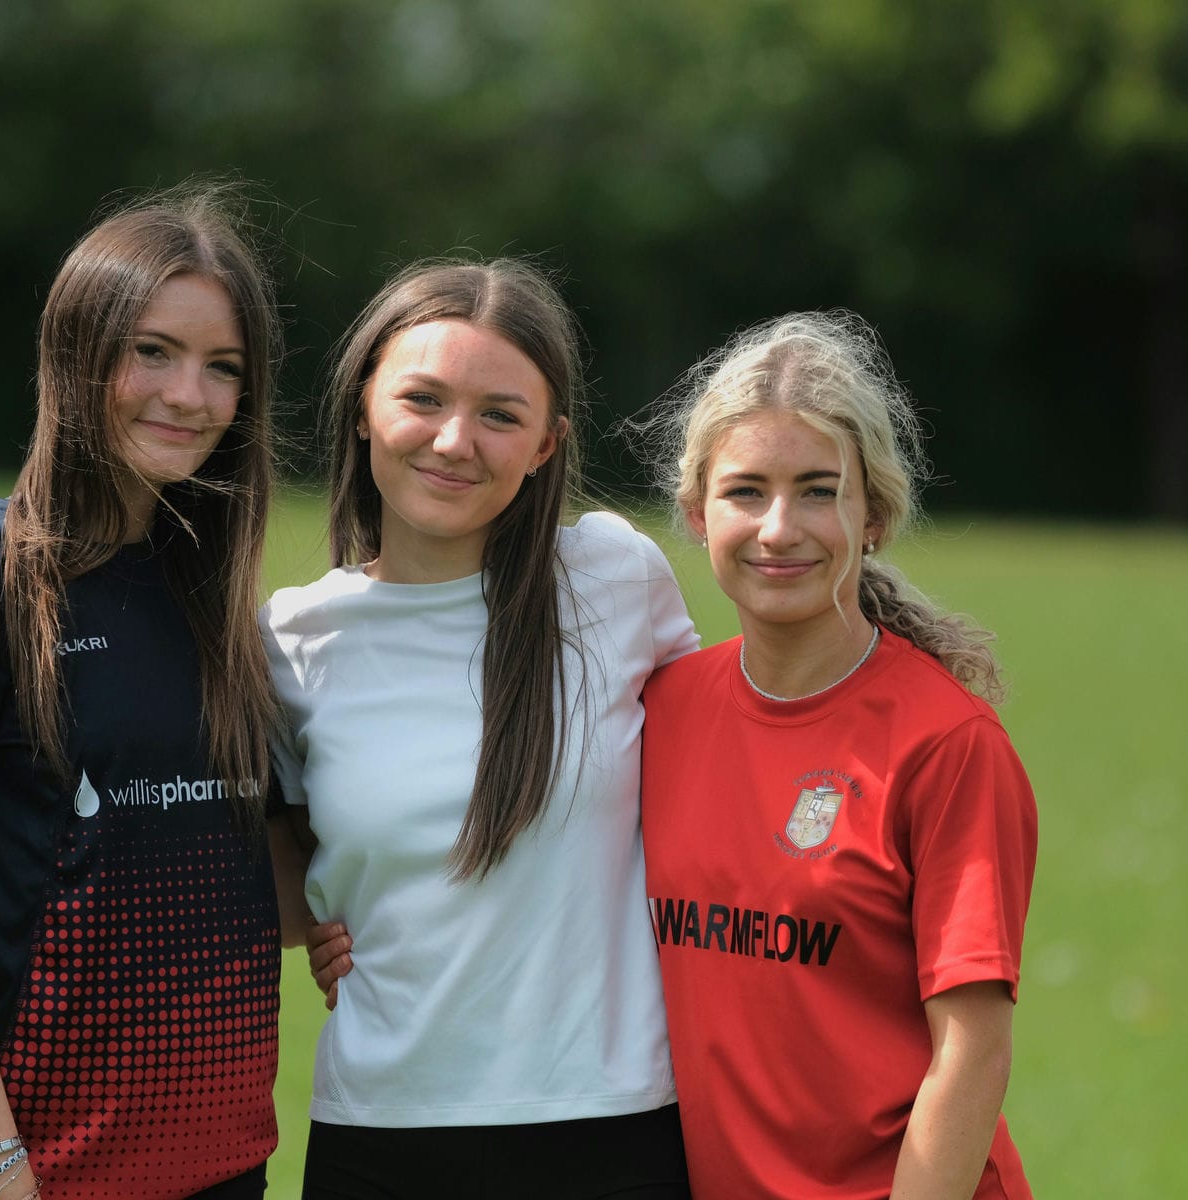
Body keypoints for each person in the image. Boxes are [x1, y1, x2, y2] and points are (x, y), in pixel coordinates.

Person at [0, 183, 301, 1200]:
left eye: (224, 367)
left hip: (219, 1163)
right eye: (153, 350)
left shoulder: (210, 596)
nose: (189, 394)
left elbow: (256, 882)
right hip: (26, 1170)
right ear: (75, 352)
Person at [261, 259, 699, 1199]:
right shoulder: (291, 638)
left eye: (500, 414)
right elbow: (281, 857)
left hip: (612, 1133)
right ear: (362, 406)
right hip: (378, 1139)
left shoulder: (618, 578)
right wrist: (328, 918)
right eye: (422, 399)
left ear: (547, 444)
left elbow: (736, 754)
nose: (455, 441)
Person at [639, 310, 1038, 1198]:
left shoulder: (949, 746)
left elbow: (972, 1052)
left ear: (875, 516)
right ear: (698, 514)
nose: (779, 528)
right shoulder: (660, 709)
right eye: (746, 492)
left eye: (819, 491)